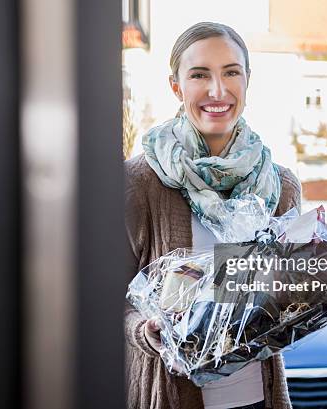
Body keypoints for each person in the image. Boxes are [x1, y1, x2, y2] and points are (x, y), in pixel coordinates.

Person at [124, 22, 301, 409]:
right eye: (199, 74)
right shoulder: (139, 185)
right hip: (171, 397)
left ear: (247, 81)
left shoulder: (280, 185)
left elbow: (288, 301)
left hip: (258, 398)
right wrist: (145, 329)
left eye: (231, 72)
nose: (217, 91)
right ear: (176, 86)